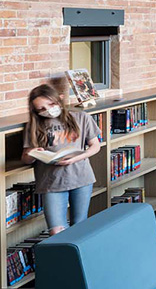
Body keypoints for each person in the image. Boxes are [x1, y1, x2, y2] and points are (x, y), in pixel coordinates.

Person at [21, 84, 101, 234]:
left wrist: (75, 158)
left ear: (59, 99)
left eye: (50, 104)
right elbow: (26, 159)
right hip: (51, 183)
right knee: (56, 231)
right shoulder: (34, 126)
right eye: (41, 109)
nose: (47, 111)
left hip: (81, 178)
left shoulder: (81, 117)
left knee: (80, 226)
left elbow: (95, 146)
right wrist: (32, 153)